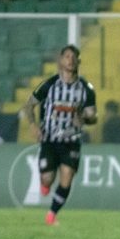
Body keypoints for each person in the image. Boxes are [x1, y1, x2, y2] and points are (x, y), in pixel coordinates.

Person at [21, 45, 97, 225]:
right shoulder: (49, 84)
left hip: (72, 140)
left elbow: (93, 116)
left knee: (67, 176)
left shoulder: (86, 88)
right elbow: (28, 105)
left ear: (78, 61)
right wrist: (33, 126)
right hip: (49, 139)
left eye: (74, 57)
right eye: (67, 56)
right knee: (47, 178)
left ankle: (52, 214)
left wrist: (85, 120)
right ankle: (45, 184)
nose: (70, 60)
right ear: (61, 61)